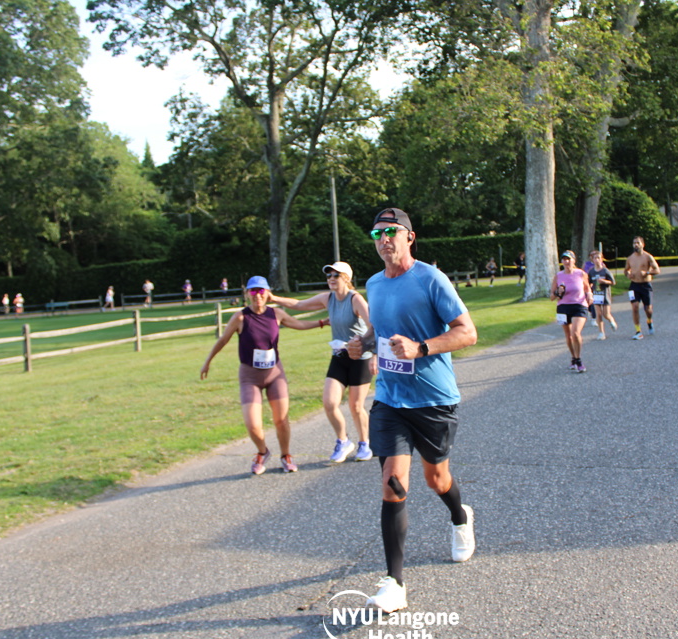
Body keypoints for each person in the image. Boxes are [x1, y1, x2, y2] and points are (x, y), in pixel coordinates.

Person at [347, 207, 478, 614]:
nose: (384, 239)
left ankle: (460, 516)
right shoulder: (373, 284)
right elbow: (379, 333)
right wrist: (364, 344)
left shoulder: (430, 278)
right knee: (393, 482)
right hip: (390, 399)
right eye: (377, 234)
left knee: (436, 479)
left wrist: (422, 348)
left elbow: (467, 332)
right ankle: (394, 583)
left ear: (410, 237)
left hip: (433, 399)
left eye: (391, 232)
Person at [200, 276, 328, 475]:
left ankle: (286, 455)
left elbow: (298, 324)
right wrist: (207, 361)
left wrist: (321, 322)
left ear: (268, 293)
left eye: (261, 291)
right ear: (247, 294)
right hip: (250, 376)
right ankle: (262, 452)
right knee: (252, 424)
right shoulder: (240, 317)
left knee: (281, 419)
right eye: (253, 291)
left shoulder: (276, 314)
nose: (257, 295)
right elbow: (223, 339)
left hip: (275, 374)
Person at [271, 261, 377, 464]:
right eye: (329, 276)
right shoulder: (327, 298)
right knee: (329, 403)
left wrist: (374, 353)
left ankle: (365, 443)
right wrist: (274, 298)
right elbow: (298, 305)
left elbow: (373, 325)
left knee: (356, 406)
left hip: (360, 358)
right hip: (339, 357)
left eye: (336, 275)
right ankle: (343, 441)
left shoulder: (355, 299)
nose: (331, 279)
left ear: (346, 278)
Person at [550, 250, 593, 373]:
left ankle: (578, 360)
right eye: (564, 259)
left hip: (579, 305)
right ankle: (573, 357)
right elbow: (551, 297)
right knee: (568, 336)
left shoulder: (581, 273)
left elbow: (587, 288)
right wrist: (558, 292)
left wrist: (590, 295)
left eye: (569, 259)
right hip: (563, 307)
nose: (566, 261)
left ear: (574, 260)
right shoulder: (558, 276)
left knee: (575, 333)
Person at [624, 236, 661, 339]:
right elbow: (626, 270)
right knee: (635, 307)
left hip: (646, 285)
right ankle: (638, 331)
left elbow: (657, 270)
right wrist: (628, 274)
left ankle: (649, 321)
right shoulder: (630, 258)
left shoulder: (648, 257)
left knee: (648, 309)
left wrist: (647, 273)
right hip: (634, 285)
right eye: (634, 243)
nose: (636, 245)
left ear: (642, 245)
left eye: (638, 243)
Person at [587, 251, 618, 340]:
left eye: (598, 258)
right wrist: (589, 290)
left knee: (606, 314)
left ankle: (611, 320)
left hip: (605, 294)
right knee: (598, 314)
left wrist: (604, 281)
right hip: (596, 295)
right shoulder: (591, 272)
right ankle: (601, 332)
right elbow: (589, 283)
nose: (597, 260)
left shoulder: (605, 271)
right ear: (592, 260)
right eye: (595, 258)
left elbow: (613, 282)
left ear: (601, 259)